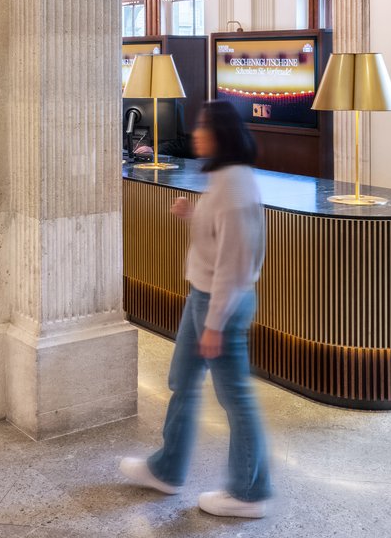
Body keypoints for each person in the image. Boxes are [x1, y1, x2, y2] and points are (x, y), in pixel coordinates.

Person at [119, 100, 272, 518]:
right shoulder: (225, 179)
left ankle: (249, 492)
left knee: (235, 397)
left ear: (220, 134)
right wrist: (192, 215)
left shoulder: (237, 186)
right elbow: (219, 238)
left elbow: (235, 266)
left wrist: (214, 325)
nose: (197, 134)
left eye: (204, 127)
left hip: (220, 304)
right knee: (182, 380)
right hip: (203, 298)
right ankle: (167, 470)